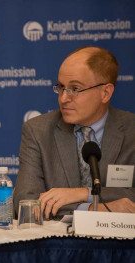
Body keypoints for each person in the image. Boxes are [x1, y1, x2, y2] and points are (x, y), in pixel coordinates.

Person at [14, 46, 135, 219]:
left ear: (105, 93)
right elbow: (26, 203)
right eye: (61, 87)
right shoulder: (37, 131)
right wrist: (96, 210)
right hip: (59, 244)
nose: (63, 98)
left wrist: (82, 194)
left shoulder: (132, 131)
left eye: (75, 89)